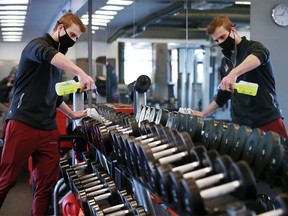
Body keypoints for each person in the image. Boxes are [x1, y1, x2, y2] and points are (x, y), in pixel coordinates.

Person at [0, 13, 95, 215]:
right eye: (72, 34)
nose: (74, 40)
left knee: (45, 187)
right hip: (22, 124)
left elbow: (55, 94)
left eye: (77, 38)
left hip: (47, 130)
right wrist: (81, 73)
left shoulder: (58, 60)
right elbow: (49, 55)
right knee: (6, 180)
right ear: (60, 28)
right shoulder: (37, 46)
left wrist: (72, 115)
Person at [192, 15, 288, 140]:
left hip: (266, 118)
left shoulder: (253, 48)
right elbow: (223, 95)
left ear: (233, 30)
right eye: (217, 40)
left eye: (223, 37)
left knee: (281, 157)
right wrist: (203, 114)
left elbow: (261, 55)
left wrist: (233, 74)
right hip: (241, 124)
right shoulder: (225, 62)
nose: (220, 42)